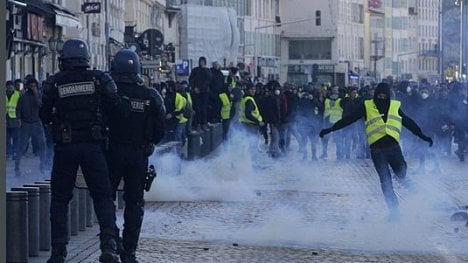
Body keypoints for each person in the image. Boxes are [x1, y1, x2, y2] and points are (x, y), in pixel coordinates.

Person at [40, 38, 130, 263]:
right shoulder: (99, 79)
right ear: (86, 58)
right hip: (93, 147)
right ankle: (108, 244)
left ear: (64, 60)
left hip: (66, 148)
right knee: (103, 197)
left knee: (60, 200)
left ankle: (58, 252)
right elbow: (118, 109)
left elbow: (43, 115)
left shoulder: (54, 83)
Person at [319, 83, 433, 220]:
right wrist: (331, 129)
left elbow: (408, 122)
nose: (382, 98)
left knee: (401, 173)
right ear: (375, 95)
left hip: (394, 148)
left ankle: (402, 175)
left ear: (389, 96)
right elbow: (349, 119)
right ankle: (394, 211)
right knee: (385, 182)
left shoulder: (395, 106)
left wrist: (422, 136)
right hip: (377, 151)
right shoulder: (367, 106)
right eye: (379, 96)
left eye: (384, 96)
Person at [107, 49, 166, 263]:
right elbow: (161, 127)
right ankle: (129, 251)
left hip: (111, 152)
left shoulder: (109, 94)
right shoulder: (150, 95)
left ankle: (111, 243)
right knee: (134, 204)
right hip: (138, 154)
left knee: (106, 201)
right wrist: (149, 143)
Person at [15, 77, 47, 176]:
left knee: (43, 145)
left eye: (34, 86)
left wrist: (36, 93)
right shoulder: (23, 97)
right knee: (22, 146)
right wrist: (19, 119)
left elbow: (39, 104)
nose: (33, 87)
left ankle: (42, 165)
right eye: (31, 86)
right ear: (28, 86)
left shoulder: (38, 95)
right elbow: (18, 109)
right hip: (26, 124)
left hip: (37, 123)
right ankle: (17, 167)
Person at [189, 56, 212, 131]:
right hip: (196, 92)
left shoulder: (207, 70)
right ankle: (197, 124)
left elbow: (208, 80)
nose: (201, 63)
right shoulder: (195, 70)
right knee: (197, 108)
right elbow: (191, 79)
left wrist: (201, 89)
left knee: (204, 109)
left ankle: (204, 123)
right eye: (200, 61)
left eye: (203, 62)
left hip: (204, 92)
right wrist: (194, 88)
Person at [6, 80, 20, 160]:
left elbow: (20, 107)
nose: (10, 88)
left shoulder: (18, 94)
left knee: (16, 138)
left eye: (11, 87)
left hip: (15, 119)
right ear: (6, 87)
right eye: (9, 87)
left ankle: (15, 153)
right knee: (6, 139)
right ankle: (8, 153)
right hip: (6, 120)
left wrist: (20, 118)